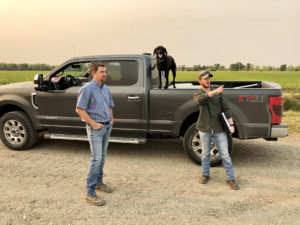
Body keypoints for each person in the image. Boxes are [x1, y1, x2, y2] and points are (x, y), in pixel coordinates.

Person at [76, 62, 115, 205]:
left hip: (106, 127)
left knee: (102, 157)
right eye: (102, 71)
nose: (105, 74)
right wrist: (93, 124)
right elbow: (79, 109)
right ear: (94, 73)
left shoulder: (106, 89)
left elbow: (110, 104)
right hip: (95, 129)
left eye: (105, 71)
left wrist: (111, 119)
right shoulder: (87, 89)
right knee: (96, 159)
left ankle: (99, 183)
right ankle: (90, 193)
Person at [193, 70, 239, 190]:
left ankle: (231, 178)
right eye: (205, 78)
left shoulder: (219, 92)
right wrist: (213, 92)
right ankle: (205, 174)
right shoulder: (198, 93)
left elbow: (226, 108)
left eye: (209, 78)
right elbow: (200, 100)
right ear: (200, 81)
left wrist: (231, 124)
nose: (208, 80)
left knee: (225, 154)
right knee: (205, 154)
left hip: (219, 128)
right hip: (204, 128)